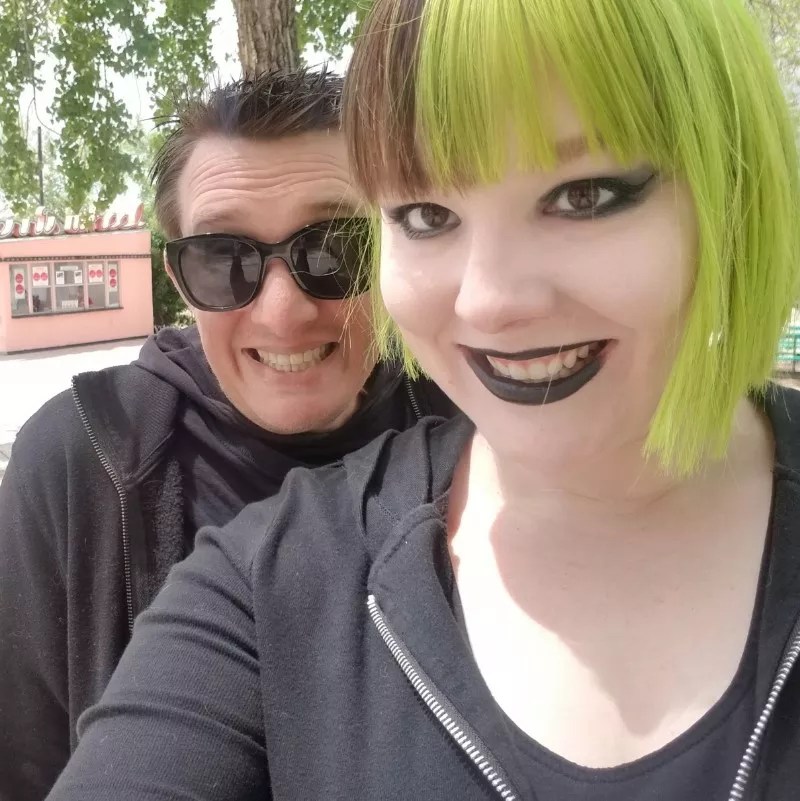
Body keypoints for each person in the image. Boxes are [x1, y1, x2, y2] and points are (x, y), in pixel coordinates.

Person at [46, 0, 800, 799]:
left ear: (735, 190)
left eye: (583, 195)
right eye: (427, 214)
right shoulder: (271, 581)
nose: (489, 302)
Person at [0, 66, 455, 801]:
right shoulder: (79, 457)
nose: (282, 312)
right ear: (180, 280)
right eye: (222, 259)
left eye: (334, 248)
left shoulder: (469, 431)